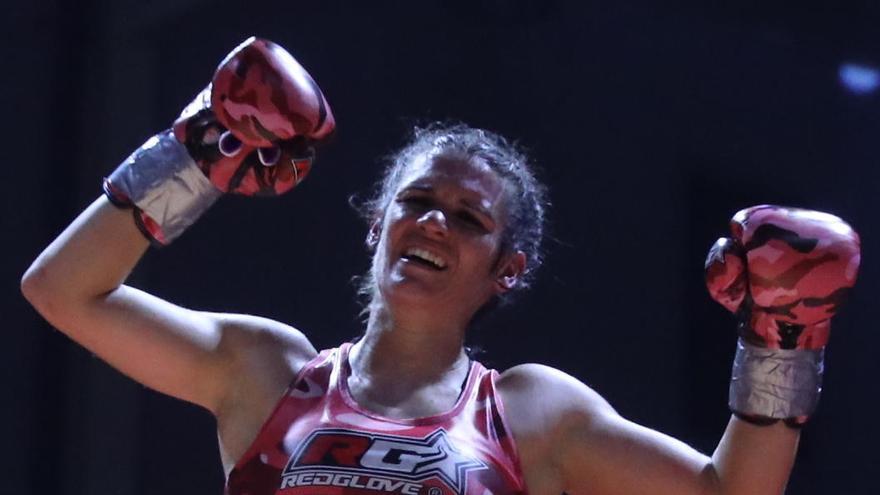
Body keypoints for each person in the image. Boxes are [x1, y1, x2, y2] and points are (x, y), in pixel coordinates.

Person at [21, 38, 861, 495]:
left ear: (507, 268)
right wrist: (197, 150)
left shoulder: (534, 414)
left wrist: (783, 344)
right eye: (416, 203)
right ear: (375, 228)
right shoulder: (264, 369)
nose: (432, 222)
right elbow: (63, 290)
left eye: (467, 217)